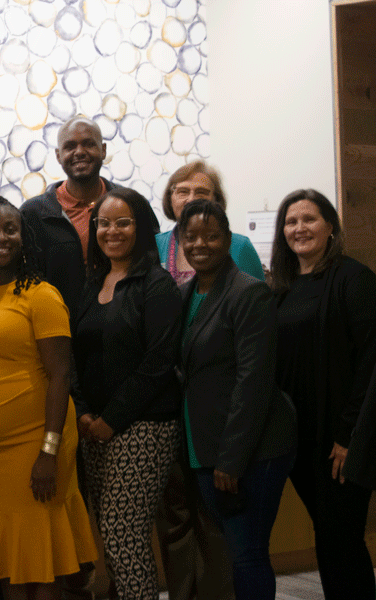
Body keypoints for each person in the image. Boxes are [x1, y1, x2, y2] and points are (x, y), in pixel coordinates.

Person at [0, 197, 97, 600]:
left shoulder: (41, 295)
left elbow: (61, 373)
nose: (1, 237)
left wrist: (49, 450)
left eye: (10, 229)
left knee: (38, 556)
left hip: (35, 443)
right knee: (8, 558)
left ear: (24, 237)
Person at [177, 199, 297, 600]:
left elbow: (254, 380)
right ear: (179, 241)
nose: (201, 244)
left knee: (247, 554)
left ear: (228, 241)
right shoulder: (184, 294)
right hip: (204, 446)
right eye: (191, 236)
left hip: (253, 450)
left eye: (212, 236)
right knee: (233, 550)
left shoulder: (249, 294)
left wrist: (232, 458)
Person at [154, 162, 261, 600]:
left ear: (219, 203)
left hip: (220, 413)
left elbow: (255, 349)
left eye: (203, 190)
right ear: (170, 199)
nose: (192, 196)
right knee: (177, 519)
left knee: (219, 528)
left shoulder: (240, 250)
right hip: (170, 408)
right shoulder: (154, 245)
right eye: (182, 189)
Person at [71, 188, 181, 600]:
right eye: (104, 223)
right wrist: (83, 412)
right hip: (93, 430)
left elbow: (158, 362)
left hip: (143, 428)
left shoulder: (157, 285)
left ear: (142, 227)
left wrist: (111, 420)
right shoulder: (93, 283)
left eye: (123, 222)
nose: (111, 231)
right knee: (111, 538)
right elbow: (76, 356)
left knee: (124, 538)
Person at [269, 189, 375, 599]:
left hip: (342, 438)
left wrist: (350, 436)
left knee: (341, 537)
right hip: (301, 439)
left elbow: (371, 363)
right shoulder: (282, 286)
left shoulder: (354, 279)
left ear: (330, 226)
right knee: (328, 535)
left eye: (309, 219)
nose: (300, 228)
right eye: (291, 221)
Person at [22, 116, 159, 312]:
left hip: (125, 327)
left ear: (103, 150)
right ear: (58, 155)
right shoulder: (33, 215)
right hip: (60, 331)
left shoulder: (133, 205)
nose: (79, 152)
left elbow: (153, 264)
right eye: (70, 147)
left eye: (88, 144)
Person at [156, 161, 264, 285]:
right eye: (183, 192)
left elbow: (257, 299)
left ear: (216, 200)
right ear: (170, 198)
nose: (191, 199)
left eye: (201, 192)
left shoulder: (241, 247)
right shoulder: (155, 246)